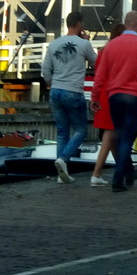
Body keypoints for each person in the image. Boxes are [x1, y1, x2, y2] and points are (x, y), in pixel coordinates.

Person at [91, 10, 137, 192]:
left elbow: (100, 76)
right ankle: (118, 179)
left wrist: (95, 97)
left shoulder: (111, 46)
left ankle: (128, 172)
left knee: (119, 136)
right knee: (127, 138)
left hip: (114, 96)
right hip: (134, 96)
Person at [41, 12, 97, 184]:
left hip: (56, 90)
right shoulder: (83, 44)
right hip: (73, 91)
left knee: (62, 132)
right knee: (80, 130)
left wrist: (52, 84)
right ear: (79, 24)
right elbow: (96, 63)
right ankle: (64, 159)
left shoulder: (54, 44)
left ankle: (61, 174)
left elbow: (45, 70)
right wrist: (87, 42)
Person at [88, 22, 124, 187]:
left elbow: (99, 74)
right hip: (112, 95)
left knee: (111, 136)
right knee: (110, 135)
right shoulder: (118, 52)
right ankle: (96, 173)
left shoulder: (102, 52)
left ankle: (122, 169)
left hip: (101, 95)